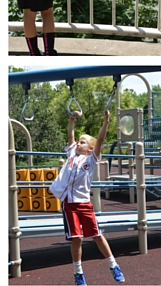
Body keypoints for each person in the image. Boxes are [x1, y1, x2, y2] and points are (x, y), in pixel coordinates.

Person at [49, 110, 124, 286]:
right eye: (78, 142)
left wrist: (106, 122)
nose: (78, 144)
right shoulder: (71, 155)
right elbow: (70, 136)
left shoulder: (90, 161)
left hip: (84, 203)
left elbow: (100, 141)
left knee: (97, 235)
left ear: (90, 149)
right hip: (69, 203)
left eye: (82, 143)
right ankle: (78, 272)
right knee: (77, 238)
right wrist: (71, 120)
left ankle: (113, 265)